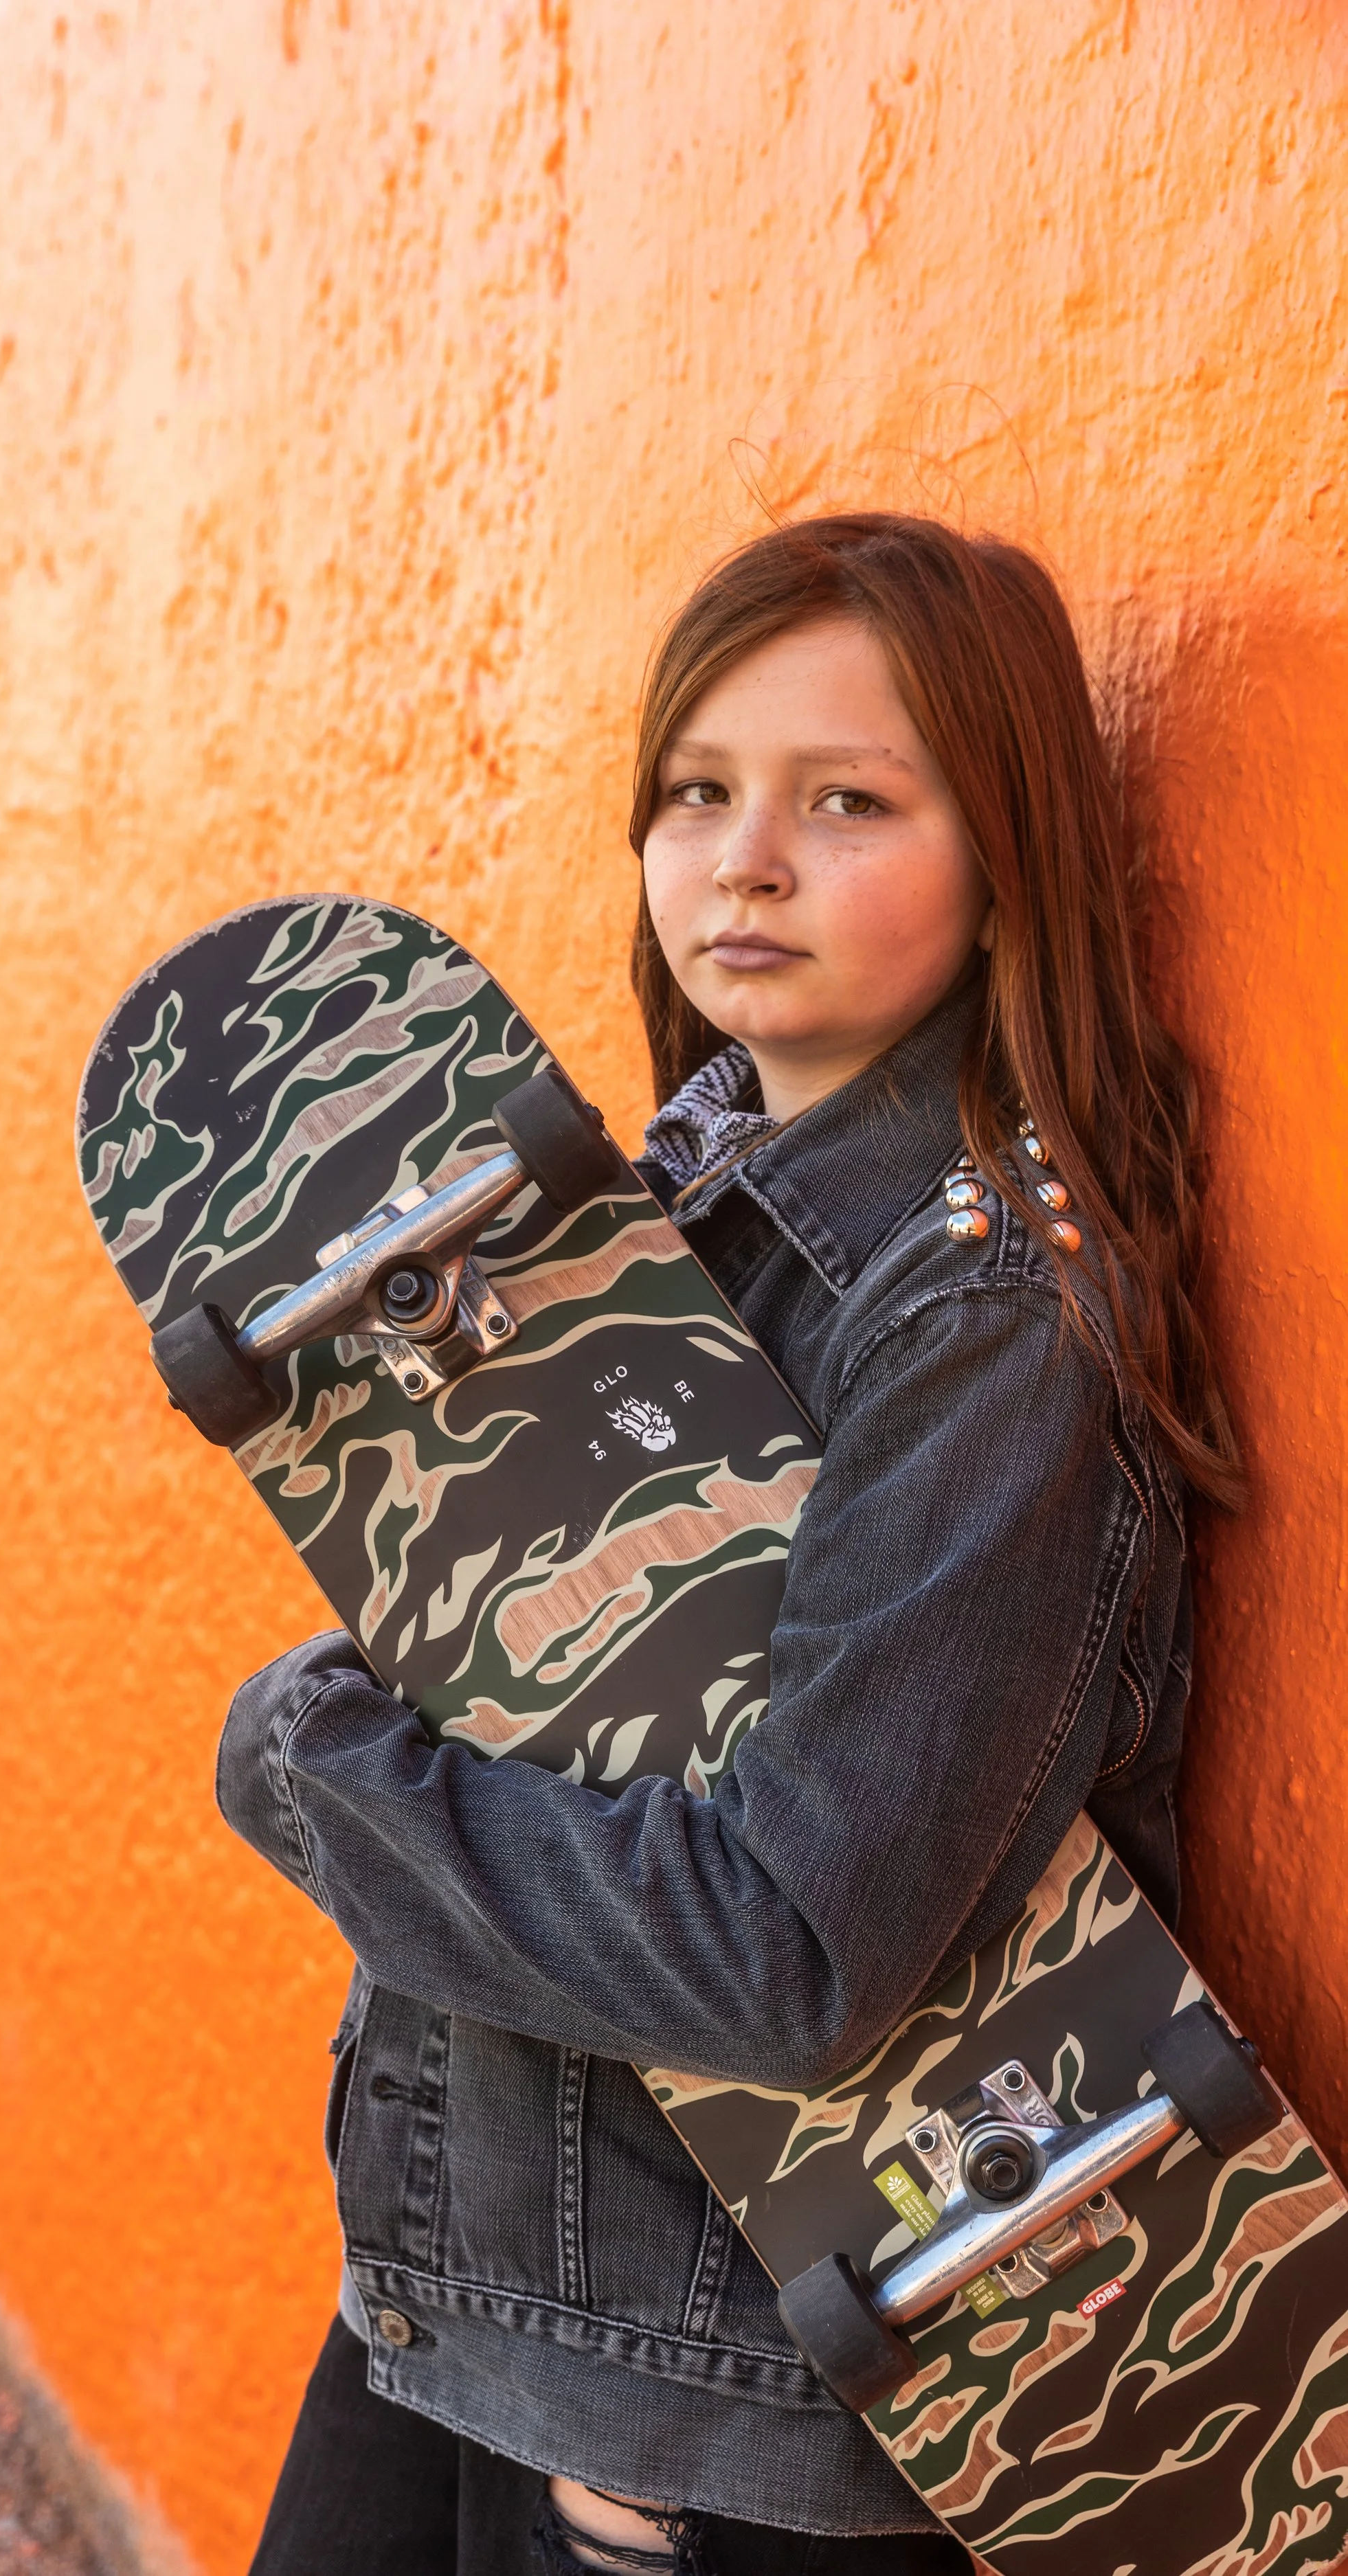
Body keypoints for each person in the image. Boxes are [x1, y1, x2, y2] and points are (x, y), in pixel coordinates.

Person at [217, 513, 1239, 2574]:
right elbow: (521, 1671)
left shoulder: (980, 1322)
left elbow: (786, 1952)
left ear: (1008, 860)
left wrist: (311, 1759)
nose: (743, 861)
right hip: (470, 2296)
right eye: (695, 791)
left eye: (846, 800)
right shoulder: (649, 1204)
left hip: (699, 2425)